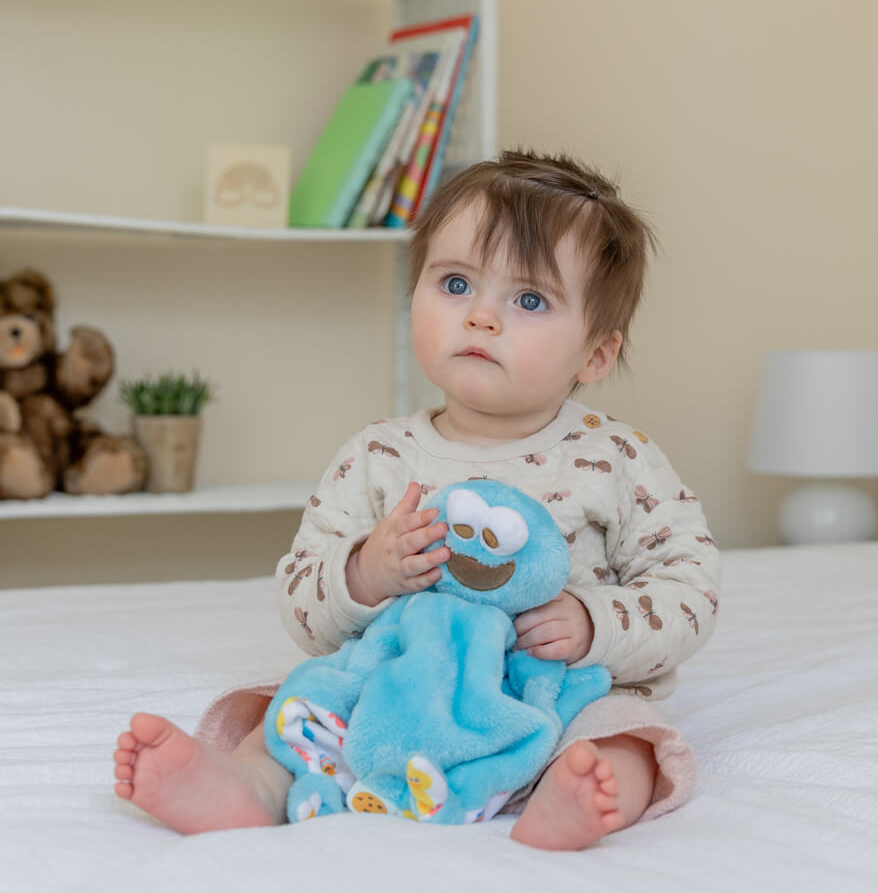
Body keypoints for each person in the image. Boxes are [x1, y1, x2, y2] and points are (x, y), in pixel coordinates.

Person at [113, 150, 721, 851]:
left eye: (528, 300)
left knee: (627, 740)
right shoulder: (377, 456)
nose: (482, 318)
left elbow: (690, 586)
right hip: (398, 690)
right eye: (456, 283)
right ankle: (247, 786)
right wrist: (364, 573)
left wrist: (593, 622)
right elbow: (303, 598)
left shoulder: (617, 459)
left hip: (552, 696)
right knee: (303, 698)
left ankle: (569, 796)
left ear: (596, 355)